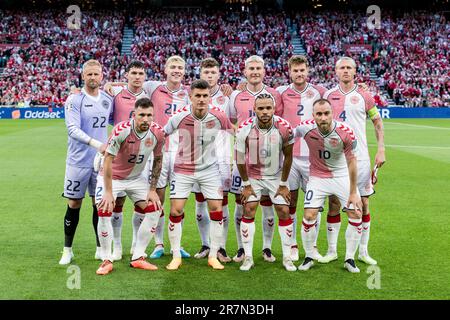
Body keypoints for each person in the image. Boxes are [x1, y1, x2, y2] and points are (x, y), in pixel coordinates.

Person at [163, 79, 234, 271]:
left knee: (216, 209)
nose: (201, 100)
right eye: (198, 96)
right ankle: (176, 255)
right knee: (176, 210)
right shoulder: (178, 117)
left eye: (205, 96)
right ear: (190, 97)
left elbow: (235, 133)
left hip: (210, 170)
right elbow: (161, 135)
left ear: (210, 97)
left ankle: (213, 255)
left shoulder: (219, 116)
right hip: (183, 170)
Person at [321, 57, 385, 266]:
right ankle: (332, 251)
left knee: (364, 204)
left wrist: (381, 149)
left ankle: (363, 251)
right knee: (333, 203)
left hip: (361, 158)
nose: (346, 71)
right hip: (336, 159)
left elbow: (377, 122)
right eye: (342, 68)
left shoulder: (364, 95)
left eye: (349, 68)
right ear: (336, 71)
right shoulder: (328, 95)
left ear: (355, 71)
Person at [95, 97, 165, 275]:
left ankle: (138, 256)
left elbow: (158, 160)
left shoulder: (157, 133)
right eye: (142, 115)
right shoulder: (121, 131)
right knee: (104, 209)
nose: (146, 119)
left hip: (136, 178)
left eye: (149, 115)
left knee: (155, 208)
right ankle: (106, 259)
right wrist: (109, 192)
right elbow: (108, 160)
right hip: (112, 177)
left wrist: (152, 190)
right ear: (134, 115)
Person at [294, 99, 363, 273]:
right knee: (309, 215)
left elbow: (352, 162)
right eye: (319, 114)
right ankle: (309, 256)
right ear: (313, 115)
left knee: (355, 212)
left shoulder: (345, 132)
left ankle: (349, 258)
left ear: (332, 113)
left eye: (326, 113)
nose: (323, 117)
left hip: (341, 176)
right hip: (317, 177)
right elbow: (286, 136)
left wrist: (354, 192)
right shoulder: (304, 128)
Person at [227, 55, 283, 264]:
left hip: (270, 162)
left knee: (268, 205)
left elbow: (280, 122)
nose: (255, 72)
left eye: (258, 68)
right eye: (251, 68)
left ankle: (267, 248)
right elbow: (230, 121)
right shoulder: (235, 96)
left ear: (264, 71)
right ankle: (242, 249)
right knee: (241, 204)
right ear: (244, 71)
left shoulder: (274, 94)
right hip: (244, 161)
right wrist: (243, 137)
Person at [58, 59, 113, 265]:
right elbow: (72, 129)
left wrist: (114, 87)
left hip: (99, 162)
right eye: (88, 74)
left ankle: (100, 248)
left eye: (96, 74)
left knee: (98, 205)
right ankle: (67, 249)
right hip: (78, 161)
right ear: (83, 76)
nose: (92, 77)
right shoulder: (74, 100)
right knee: (74, 203)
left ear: (101, 76)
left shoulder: (108, 99)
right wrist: (97, 143)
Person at [235, 93, 296, 272]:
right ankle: (248, 257)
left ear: (274, 108)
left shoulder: (284, 127)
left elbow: (288, 156)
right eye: (260, 108)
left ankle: (287, 258)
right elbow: (239, 158)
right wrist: (246, 185)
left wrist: (284, 183)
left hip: (275, 176)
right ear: (254, 109)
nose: (264, 112)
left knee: (284, 211)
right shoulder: (244, 129)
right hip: (253, 177)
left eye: (268, 108)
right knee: (248, 209)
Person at [276, 55, 326, 262]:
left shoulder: (320, 92)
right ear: (290, 72)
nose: (299, 73)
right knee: (291, 200)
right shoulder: (281, 93)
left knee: (315, 203)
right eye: (295, 70)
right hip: (291, 157)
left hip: (314, 157)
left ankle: (312, 246)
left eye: (302, 70)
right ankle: (293, 245)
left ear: (308, 71)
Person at [192, 57, 232, 263]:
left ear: (219, 74)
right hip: (199, 158)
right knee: (200, 202)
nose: (209, 75)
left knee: (221, 203)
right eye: (206, 72)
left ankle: (221, 247)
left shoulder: (228, 97)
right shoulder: (194, 96)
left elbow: (235, 124)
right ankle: (205, 243)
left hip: (222, 158)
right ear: (201, 74)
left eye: (213, 72)